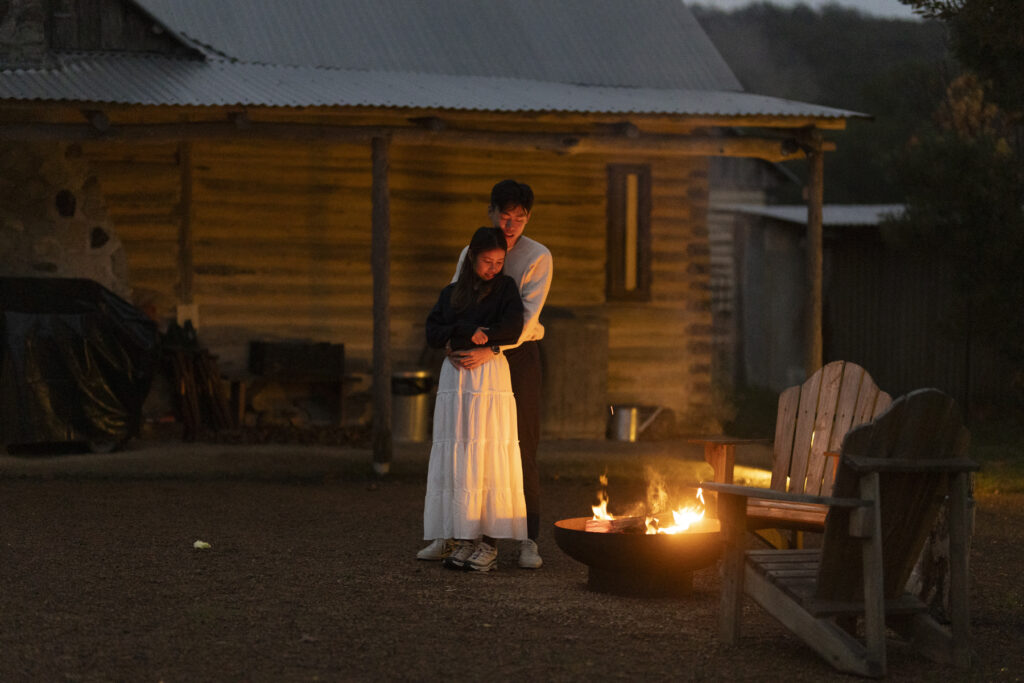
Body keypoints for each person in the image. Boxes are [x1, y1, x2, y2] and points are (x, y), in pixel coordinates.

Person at [417, 180, 552, 569]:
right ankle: (455, 532)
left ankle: (527, 537)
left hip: (514, 354)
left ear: (528, 219)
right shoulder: (470, 251)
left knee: (520, 443)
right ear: (491, 213)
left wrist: (490, 348)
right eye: (505, 217)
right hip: (469, 356)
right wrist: (451, 343)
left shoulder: (537, 256)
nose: (511, 226)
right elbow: (453, 302)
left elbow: (526, 319)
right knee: (464, 440)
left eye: (519, 219)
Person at [421, 226, 527, 572]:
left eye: (499, 261)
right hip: (457, 383)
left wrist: (488, 338)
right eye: (487, 261)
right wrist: (464, 333)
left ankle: (489, 543)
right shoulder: (453, 293)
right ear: (472, 259)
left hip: (488, 379)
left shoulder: (506, 290)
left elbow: (513, 327)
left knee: (487, 451)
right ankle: (463, 537)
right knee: (461, 452)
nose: (493, 268)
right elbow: (434, 330)